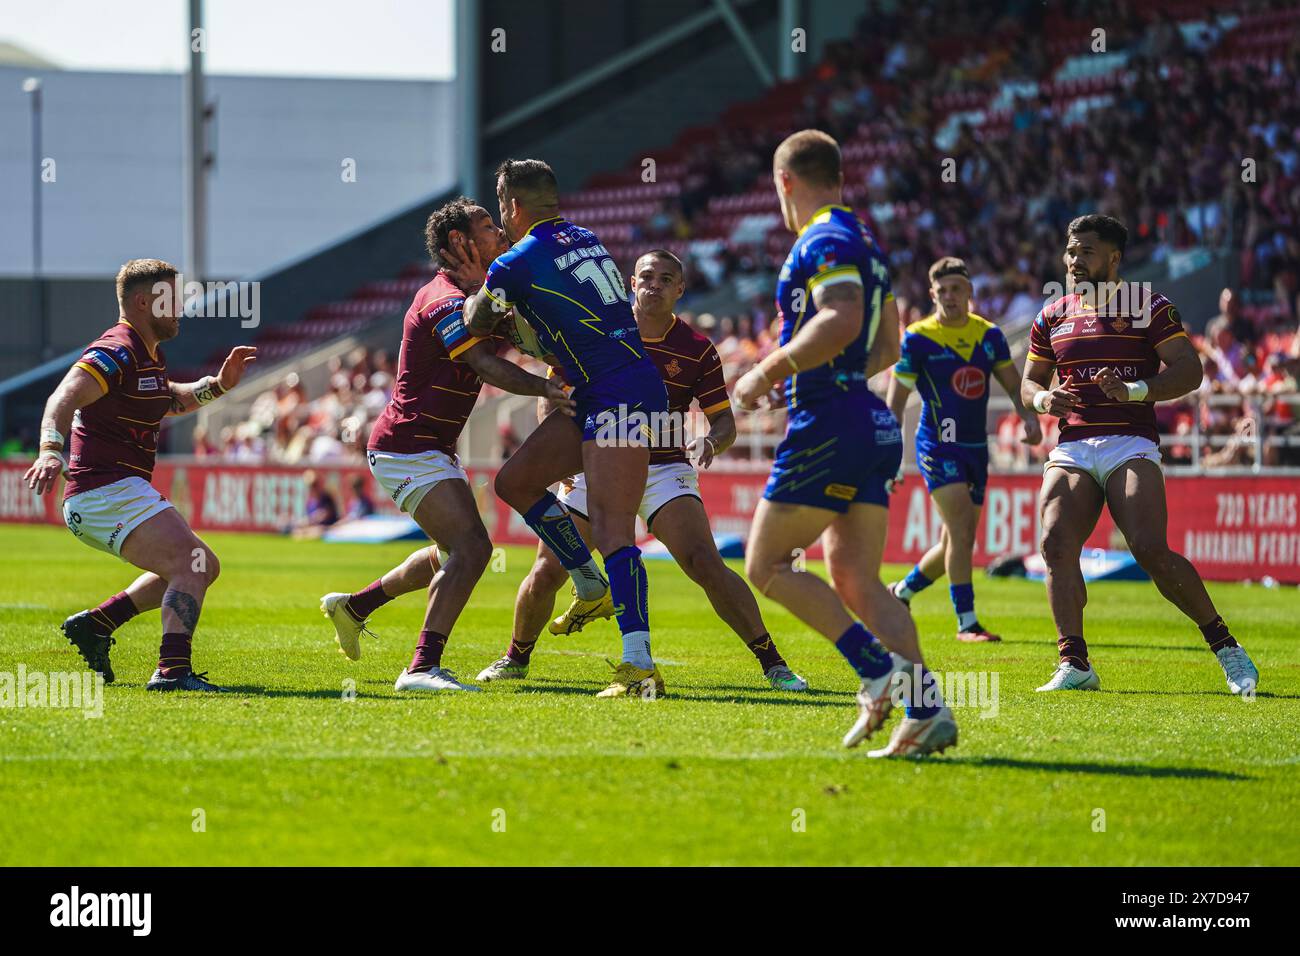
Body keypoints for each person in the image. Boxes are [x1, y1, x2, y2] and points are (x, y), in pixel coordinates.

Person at [475, 249, 807, 692]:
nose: (654, 285)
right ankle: (515, 658)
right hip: (598, 458)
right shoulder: (599, 330)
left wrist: (711, 441)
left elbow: (723, 420)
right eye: (646, 276)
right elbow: (553, 391)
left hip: (663, 467)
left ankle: (774, 664)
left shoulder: (696, 349)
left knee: (704, 562)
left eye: (665, 279)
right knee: (547, 571)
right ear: (630, 284)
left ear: (680, 289)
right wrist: (562, 460)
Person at [733, 130, 958, 757]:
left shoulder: (824, 237)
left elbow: (842, 319)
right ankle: (926, 707)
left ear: (785, 183)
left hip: (830, 419)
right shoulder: (868, 241)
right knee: (857, 579)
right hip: (872, 422)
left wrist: (766, 371)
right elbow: (888, 346)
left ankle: (875, 669)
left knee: (766, 565)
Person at [319, 197, 572, 693]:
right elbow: (482, 363)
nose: (498, 231)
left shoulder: (482, 295)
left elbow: (526, 337)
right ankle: (420, 668)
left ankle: (355, 606)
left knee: (447, 552)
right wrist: (546, 388)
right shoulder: (443, 298)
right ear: (459, 242)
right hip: (406, 445)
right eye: (485, 226)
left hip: (427, 446)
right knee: (474, 549)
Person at [446, 159, 671, 699]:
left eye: (501, 208)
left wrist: (486, 287)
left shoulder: (515, 262)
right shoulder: (587, 237)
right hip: (607, 389)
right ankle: (585, 577)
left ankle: (639, 663)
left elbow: (477, 324)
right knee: (515, 482)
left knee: (615, 530)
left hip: (617, 394)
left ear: (513, 206)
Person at [1022, 214, 1258, 694]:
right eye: (1070, 251)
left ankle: (1226, 646)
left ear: (1113, 258)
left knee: (1150, 549)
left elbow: (1189, 370)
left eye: (1085, 251)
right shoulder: (1051, 314)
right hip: (1072, 445)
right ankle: (1075, 663)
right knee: (1055, 545)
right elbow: (1029, 382)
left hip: (1131, 442)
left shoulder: (1149, 305)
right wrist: (1044, 400)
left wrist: (1133, 390)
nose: (1074, 260)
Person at [24, 258, 256, 691]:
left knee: (201, 565)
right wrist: (50, 451)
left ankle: (97, 624)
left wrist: (219, 384)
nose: (180, 309)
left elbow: (169, 399)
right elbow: (62, 398)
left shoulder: (147, 353)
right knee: (192, 563)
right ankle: (171, 673)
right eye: (171, 300)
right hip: (104, 489)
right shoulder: (116, 349)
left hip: (109, 492)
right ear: (142, 302)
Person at [886, 256, 1043, 641]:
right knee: (959, 532)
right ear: (932, 294)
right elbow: (894, 402)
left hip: (975, 448)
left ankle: (900, 592)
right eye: (942, 291)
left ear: (970, 292)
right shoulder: (918, 337)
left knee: (955, 540)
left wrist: (1030, 418)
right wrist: (890, 457)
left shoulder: (989, 336)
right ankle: (967, 622)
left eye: (957, 289)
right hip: (938, 446)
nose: (950, 297)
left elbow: (1013, 384)